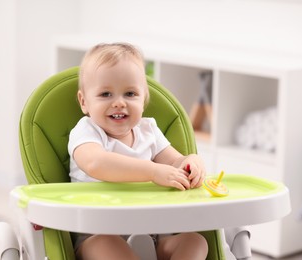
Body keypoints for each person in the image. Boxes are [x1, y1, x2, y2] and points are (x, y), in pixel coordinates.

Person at [68, 42, 208, 260]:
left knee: (195, 242)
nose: (119, 103)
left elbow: (175, 162)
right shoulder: (86, 131)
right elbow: (96, 163)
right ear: (84, 101)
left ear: (144, 99)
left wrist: (192, 162)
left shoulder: (148, 130)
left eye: (130, 93)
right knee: (108, 246)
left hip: (151, 236)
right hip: (98, 235)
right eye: (105, 94)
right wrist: (153, 172)